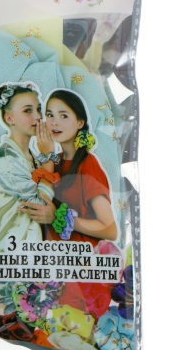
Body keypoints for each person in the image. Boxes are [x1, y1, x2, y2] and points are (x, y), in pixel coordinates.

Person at [23, 89, 117, 243]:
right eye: (50, 115)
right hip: (51, 253)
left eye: (63, 116)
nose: (54, 122)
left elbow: (110, 230)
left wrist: (57, 217)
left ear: (80, 123)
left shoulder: (87, 164)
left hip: (82, 255)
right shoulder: (52, 162)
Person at [0, 83, 56, 251]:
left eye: (38, 109)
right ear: (9, 118)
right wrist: (49, 158)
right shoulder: (7, 159)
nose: (37, 117)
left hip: (28, 251)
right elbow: (39, 206)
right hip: (7, 255)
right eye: (28, 111)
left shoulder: (31, 156)